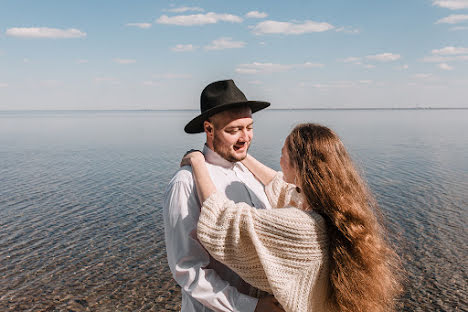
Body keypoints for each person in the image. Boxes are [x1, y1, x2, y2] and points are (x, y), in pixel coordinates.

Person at [182, 123, 402, 312]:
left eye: (283, 155)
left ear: (300, 168)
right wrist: (239, 153)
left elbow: (224, 219)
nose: (279, 161)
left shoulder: (303, 226)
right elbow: (280, 186)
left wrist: (198, 161)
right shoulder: (331, 210)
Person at [163, 79, 284, 312]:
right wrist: (252, 306)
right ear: (209, 129)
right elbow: (187, 269)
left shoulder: (248, 172)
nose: (245, 138)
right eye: (234, 130)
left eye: (249, 127)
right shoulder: (185, 183)